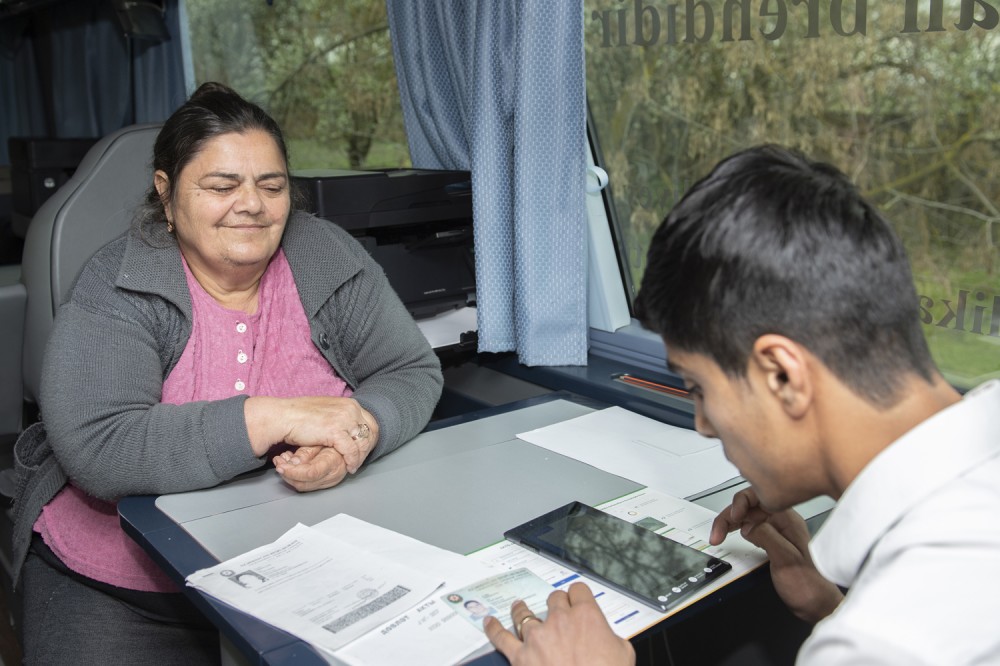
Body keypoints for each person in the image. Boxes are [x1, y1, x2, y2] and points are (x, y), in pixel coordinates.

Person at [485, 145, 1000, 664]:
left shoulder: (885, 641)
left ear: (781, 374)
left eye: (700, 388)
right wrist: (830, 608)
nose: (705, 425)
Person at [13, 82, 443, 664]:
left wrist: (355, 435)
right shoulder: (118, 281)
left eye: (272, 186)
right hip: (127, 590)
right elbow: (100, 444)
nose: (253, 204)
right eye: (222, 186)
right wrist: (276, 416)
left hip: (305, 571)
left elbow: (410, 369)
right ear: (166, 194)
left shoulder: (326, 254)